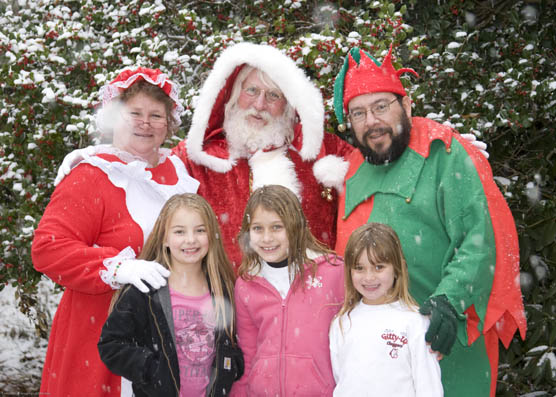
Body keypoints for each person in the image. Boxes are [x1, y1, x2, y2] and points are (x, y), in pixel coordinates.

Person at [55, 42, 487, 272]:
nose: (260, 104)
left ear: (291, 106)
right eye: (252, 90)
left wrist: (441, 146)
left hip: (312, 311)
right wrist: (98, 157)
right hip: (222, 314)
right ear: (231, 97)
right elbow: (147, 161)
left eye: (274, 96)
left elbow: (385, 154)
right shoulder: (202, 159)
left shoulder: (321, 156)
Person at [333, 45, 527, 396]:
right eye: (358, 113)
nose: (371, 122)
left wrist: (449, 301)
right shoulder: (351, 168)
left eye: (381, 107)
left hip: (449, 340)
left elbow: (478, 240)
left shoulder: (445, 153)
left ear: (406, 106)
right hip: (383, 359)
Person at [32, 67, 200, 396]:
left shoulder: (179, 171)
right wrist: (118, 267)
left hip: (169, 332)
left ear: (169, 124)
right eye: (134, 113)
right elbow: (48, 248)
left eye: (156, 115)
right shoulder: (91, 175)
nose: (145, 122)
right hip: (102, 331)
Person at [98, 193, 244, 397]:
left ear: (211, 234)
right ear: (164, 238)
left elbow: (231, 342)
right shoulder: (146, 290)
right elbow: (111, 344)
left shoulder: (223, 288)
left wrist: (231, 368)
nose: (191, 240)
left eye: (200, 230)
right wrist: (151, 369)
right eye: (180, 232)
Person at [231, 185, 344, 396]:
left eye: (276, 227)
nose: (267, 238)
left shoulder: (333, 273)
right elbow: (247, 353)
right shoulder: (247, 285)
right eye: (257, 228)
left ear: (295, 227)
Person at [329, 222, 443, 397]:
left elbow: (428, 387)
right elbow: (341, 378)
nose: (369, 277)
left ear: (397, 269)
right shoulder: (342, 322)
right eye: (359, 268)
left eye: (379, 267)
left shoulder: (414, 321)